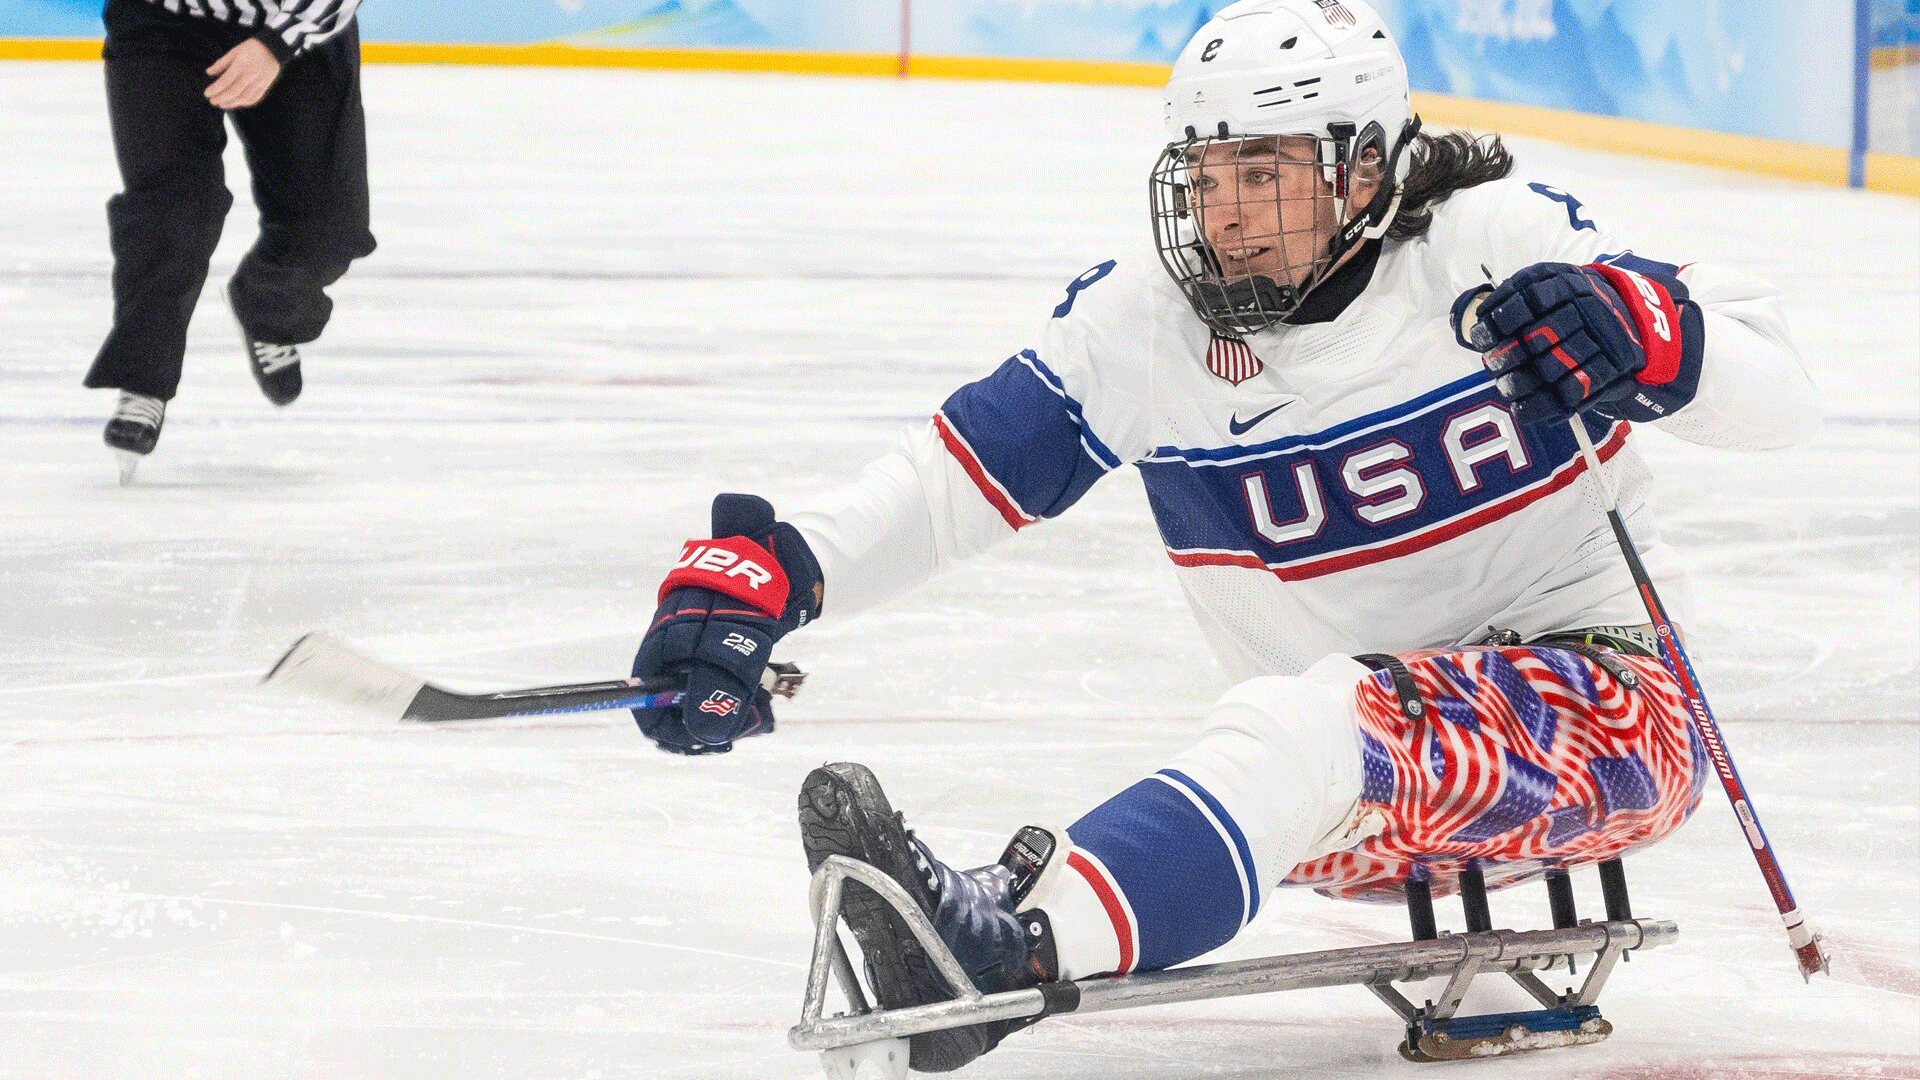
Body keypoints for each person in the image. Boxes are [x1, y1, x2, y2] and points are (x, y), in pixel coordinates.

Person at [629, 0, 1819, 1070]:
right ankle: (1007, 925)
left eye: (1264, 171)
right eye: (1203, 174)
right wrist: (771, 577)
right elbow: (951, 484)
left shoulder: (1493, 241)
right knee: (1306, 724)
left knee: (1309, 718)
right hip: (1338, 813)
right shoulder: (1146, 325)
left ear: (1363, 168)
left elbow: (1784, 392)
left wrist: (1650, 335)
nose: (1225, 215)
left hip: (1613, 722)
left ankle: (1007, 946)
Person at [85, 0, 375, 483]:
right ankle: (142, 380)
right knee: (172, 212)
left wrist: (279, 42)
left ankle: (270, 306)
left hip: (296, 30)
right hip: (162, 25)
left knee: (327, 229)